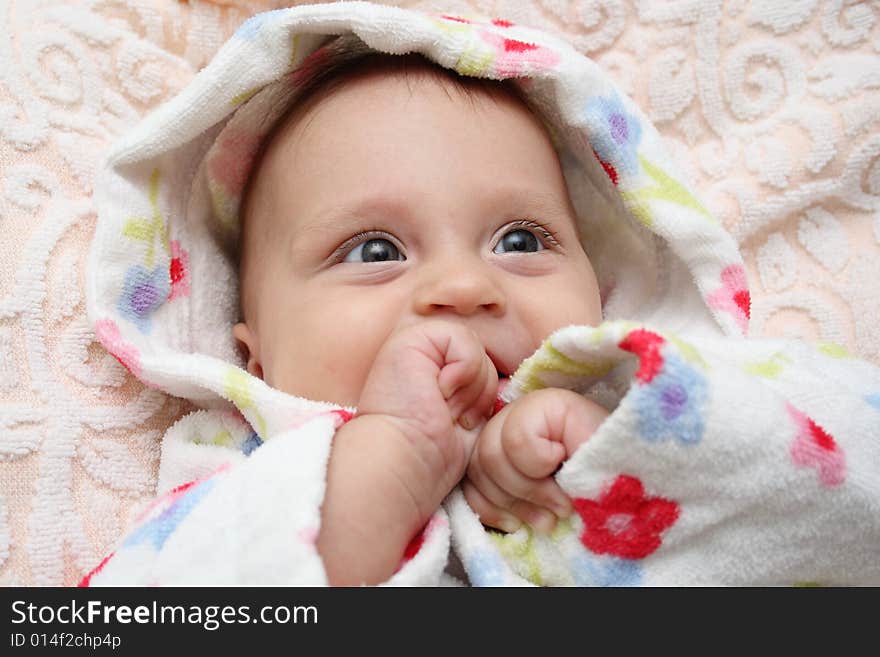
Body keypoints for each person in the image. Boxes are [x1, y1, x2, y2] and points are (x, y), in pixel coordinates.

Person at [84, 3, 880, 586]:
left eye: (521, 241)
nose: (465, 287)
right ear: (252, 354)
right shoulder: (232, 475)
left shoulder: (654, 402)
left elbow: (842, 498)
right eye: (374, 250)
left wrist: (646, 452)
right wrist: (384, 467)